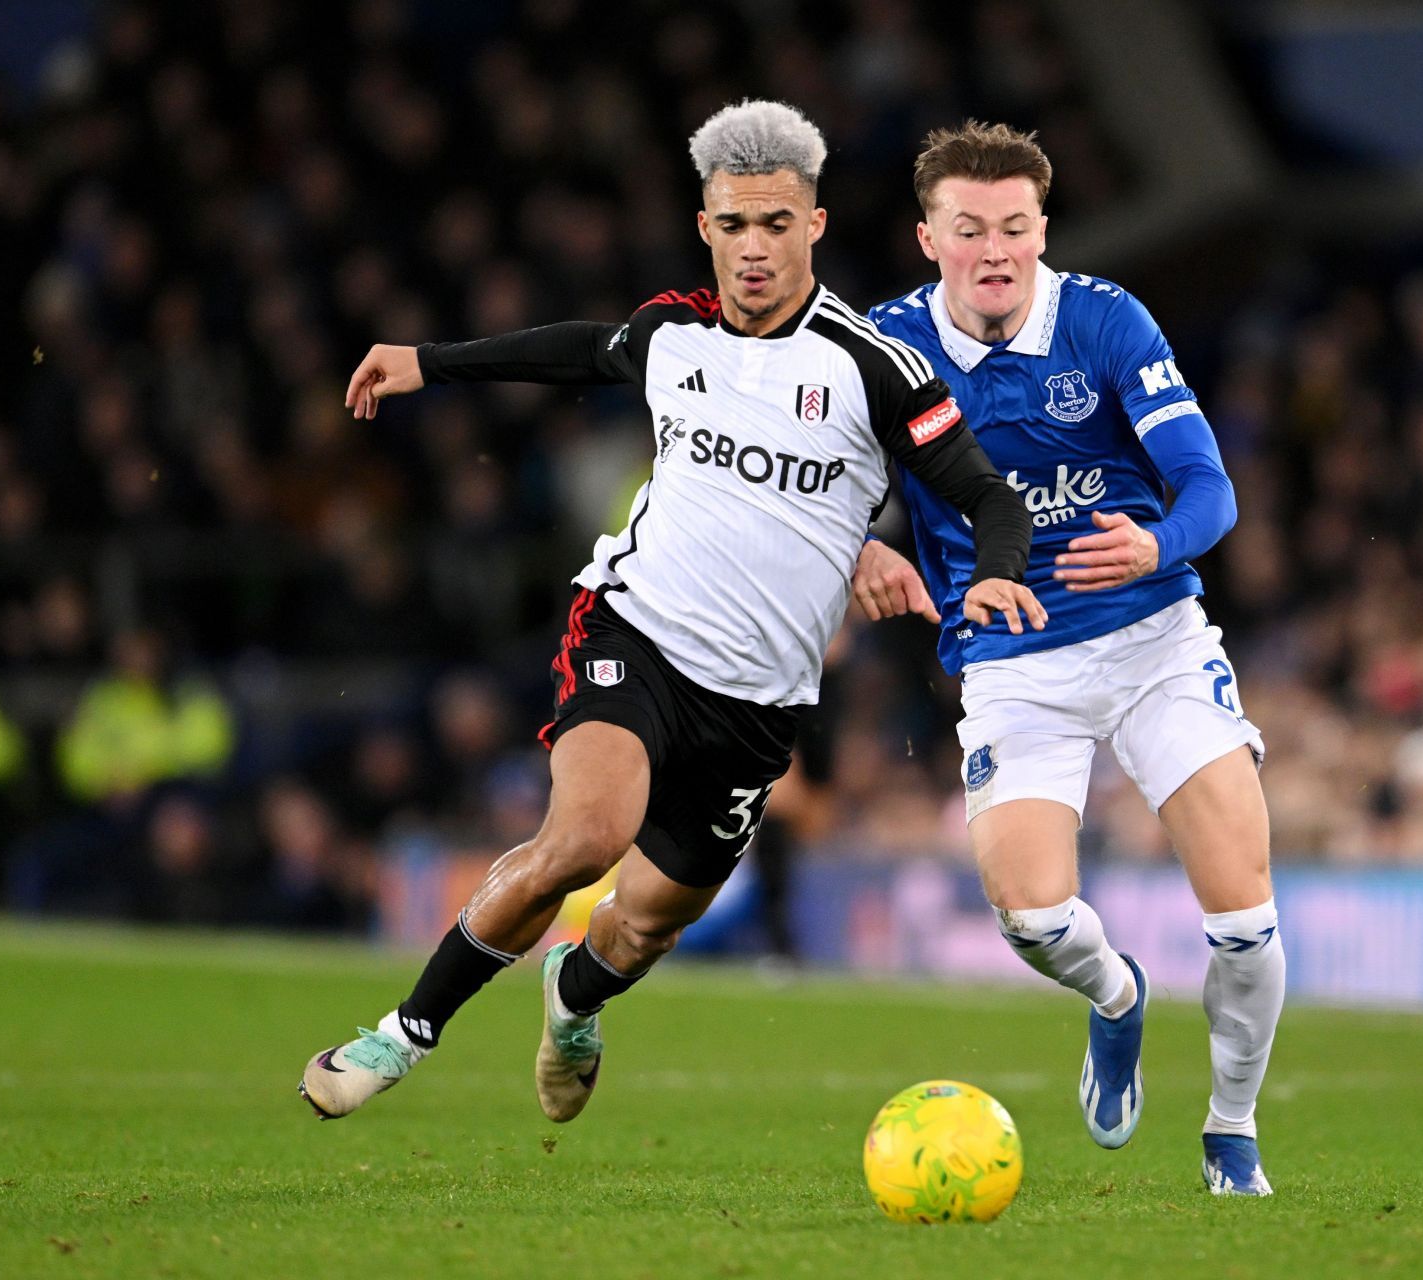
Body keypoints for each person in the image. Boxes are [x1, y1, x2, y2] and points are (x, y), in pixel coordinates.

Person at [299, 101, 1040, 1124]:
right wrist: (431, 360)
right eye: (733, 224)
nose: (753, 247)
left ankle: (576, 995)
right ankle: (404, 1029)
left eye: (775, 223)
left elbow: (990, 494)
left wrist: (994, 570)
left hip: (756, 704)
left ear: (813, 226)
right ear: (706, 227)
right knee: (585, 837)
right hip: (634, 631)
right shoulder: (672, 333)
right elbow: (578, 350)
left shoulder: (872, 369)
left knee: (645, 922)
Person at [855, 121, 1280, 1196]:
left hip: (1154, 642)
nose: (994, 250)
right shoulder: (885, 351)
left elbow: (1210, 489)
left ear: (1042, 229)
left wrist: (1155, 541)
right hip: (1013, 661)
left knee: (1242, 914)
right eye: (969, 229)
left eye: (1014, 227)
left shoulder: (1104, 321)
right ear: (928, 237)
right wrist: (858, 540)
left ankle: (1231, 1128)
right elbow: (822, 486)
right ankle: (1118, 996)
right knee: (1033, 914)